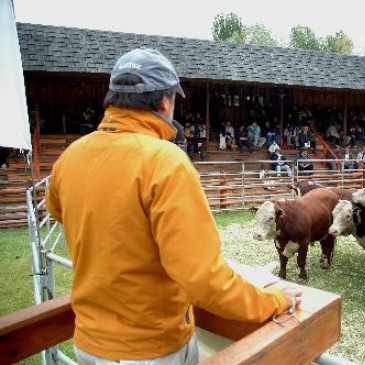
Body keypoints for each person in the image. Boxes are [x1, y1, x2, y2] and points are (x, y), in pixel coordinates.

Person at [45, 48, 301, 365]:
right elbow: (203, 279)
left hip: (88, 343)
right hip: (150, 348)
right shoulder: (165, 160)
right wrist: (272, 301)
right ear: (165, 101)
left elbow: (58, 210)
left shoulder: (71, 156)